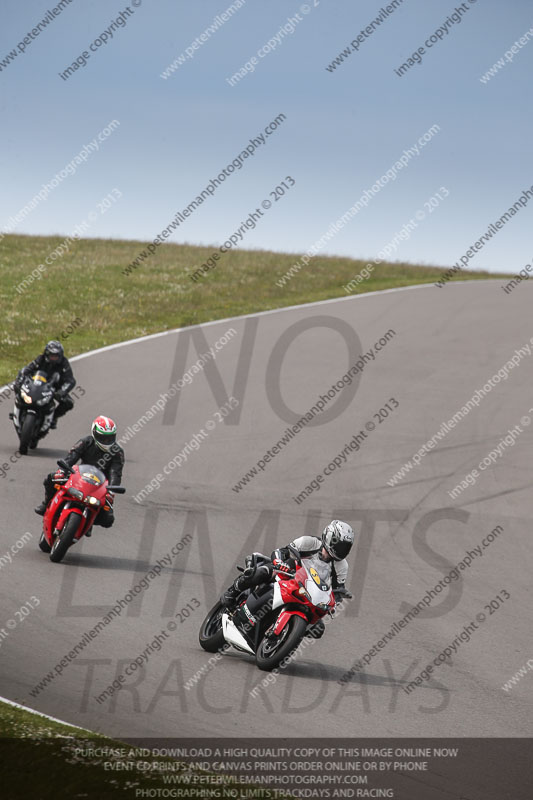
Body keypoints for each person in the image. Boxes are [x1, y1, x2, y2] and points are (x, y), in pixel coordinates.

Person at [221, 520, 354, 636]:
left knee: (318, 629)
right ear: (329, 537)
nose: (341, 550)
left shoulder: (342, 566)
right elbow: (282, 551)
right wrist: (279, 562)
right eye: (340, 545)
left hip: (309, 594)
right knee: (262, 573)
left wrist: (333, 605)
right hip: (288, 575)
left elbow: (337, 591)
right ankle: (232, 592)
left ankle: (286, 635)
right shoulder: (310, 542)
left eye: (345, 547)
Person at [34, 416, 124, 533]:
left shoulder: (117, 452)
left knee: (108, 520)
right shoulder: (85, 442)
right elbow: (72, 456)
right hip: (80, 475)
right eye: (103, 437)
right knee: (51, 478)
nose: (106, 441)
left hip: (100, 485)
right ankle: (46, 504)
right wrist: (62, 470)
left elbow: (115, 472)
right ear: (94, 433)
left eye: (110, 437)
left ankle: (89, 521)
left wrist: (111, 490)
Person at [14, 340, 76, 428]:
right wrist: (20, 380)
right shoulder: (41, 359)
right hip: (35, 383)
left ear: (60, 355)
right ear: (47, 354)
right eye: (52, 355)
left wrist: (62, 391)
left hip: (54, 387)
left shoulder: (64, 363)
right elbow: (27, 369)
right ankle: (19, 408)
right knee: (17, 387)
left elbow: (70, 380)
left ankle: (53, 418)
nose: (53, 358)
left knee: (68, 403)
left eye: (56, 356)